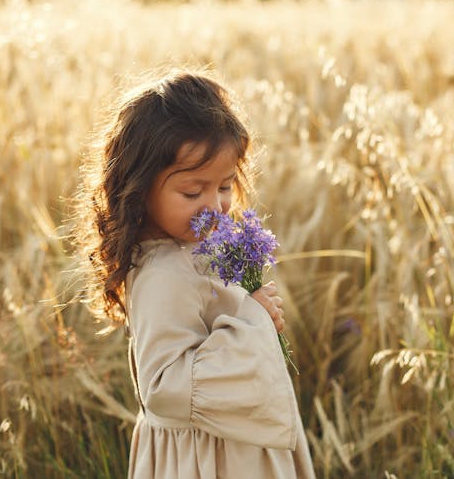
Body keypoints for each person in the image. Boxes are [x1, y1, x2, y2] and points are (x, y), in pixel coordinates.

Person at [82, 70, 315, 478]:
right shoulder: (161, 273)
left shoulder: (194, 249)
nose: (215, 206)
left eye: (225, 187)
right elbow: (164, 387)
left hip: (227, 443)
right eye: (193, 192)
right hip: (206, 459)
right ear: (139, 189)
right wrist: (253, 320)